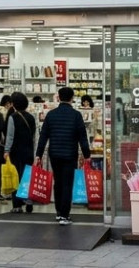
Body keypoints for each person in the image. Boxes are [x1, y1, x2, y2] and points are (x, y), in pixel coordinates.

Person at [36, 87, 91, 225]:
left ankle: (59, 212)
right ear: (72, 98)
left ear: (58, 97)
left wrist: (38, 154)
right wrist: (87, 155)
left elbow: (43, 136)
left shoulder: (51, 115)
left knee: (58, 182)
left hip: (54, 154)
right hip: (70, 154)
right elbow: (82, 137)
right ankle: (64, 216)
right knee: (67, 184)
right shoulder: (76, 115)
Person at [5, 91, 36, 214]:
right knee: (27, 176)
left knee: (16, 177)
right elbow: (34, 136)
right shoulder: (31, 117)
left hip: (16, 152)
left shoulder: (13, 117)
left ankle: (17, 205)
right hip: (28, 151)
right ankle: (29, 201)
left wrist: (6, 150)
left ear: (14, 104)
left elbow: (10, 136)